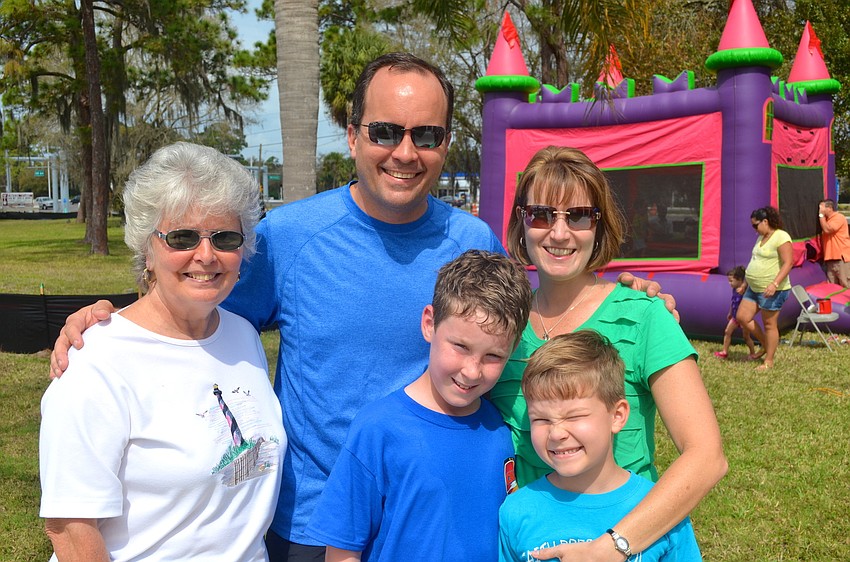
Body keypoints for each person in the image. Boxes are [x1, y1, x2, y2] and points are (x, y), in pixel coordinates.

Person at [48, 55, 670, 561]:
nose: (405, 152)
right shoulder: (289, 237)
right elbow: (189, 296)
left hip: (445, 521)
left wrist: (623, 297)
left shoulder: (474, 240)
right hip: (313, 529)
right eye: (384, 131)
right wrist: (105, 320)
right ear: (352, 135)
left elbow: (522, 329)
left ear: (445, 143)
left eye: (426, 136)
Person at [38, 142, 286, 561]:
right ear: (146, 249)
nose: (205, 255)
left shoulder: (244, 336)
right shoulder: (97, 360)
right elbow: (69, 527)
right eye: (183, 237)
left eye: (225, 237)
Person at [490, 146, 726, 561]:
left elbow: (707, 457)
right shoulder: (499, 325)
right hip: (528, 539)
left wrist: (614, 545)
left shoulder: (646, 315)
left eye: (578, 215)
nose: (559, 233)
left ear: (599, 227)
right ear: (521, 225)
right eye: (541, 215)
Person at [305, 250, 531, 561]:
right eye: (461, 347)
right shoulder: (378, 429)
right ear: (429, 323)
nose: (472, 371)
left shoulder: (498, 426)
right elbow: (343, 549)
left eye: (493, 356)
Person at [498, 330, 701, 562]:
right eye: (541, 420)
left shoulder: (661, 509)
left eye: (574, 417)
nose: (556, 433)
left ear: (617, 416)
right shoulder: (516, 510)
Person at [736, 206, 793, 371]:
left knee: (769, 325)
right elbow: (755, 261)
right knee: (742, 317)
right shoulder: (761, 237)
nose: (754, 229)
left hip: (772, 290)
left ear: (766, 221)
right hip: (753, 288)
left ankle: (769, 360)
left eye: (756, 225)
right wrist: (745, 284)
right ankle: (765, 344)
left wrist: (774, 284)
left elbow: (789, 263)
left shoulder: (781, 236)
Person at [714, 266, 758, 360]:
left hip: (743, 318)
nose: (730, 283)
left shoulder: (744, 291)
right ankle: (725, 351)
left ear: (740, 280)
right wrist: (730, 312)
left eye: (731, 281)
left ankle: (753, 353)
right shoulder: (734, 289)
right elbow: (733, 302)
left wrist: (744, 286)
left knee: (746, 337)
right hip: (735, 317)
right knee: (727, 332)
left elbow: (749, 282)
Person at [818, 198, 850, 288]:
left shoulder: (839, 217)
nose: (820, 210)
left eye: (822, 207)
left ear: (829, 208)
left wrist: (821, 215)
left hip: (841, 259)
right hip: (830, 260)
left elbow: (828, 229)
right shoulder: (826, 221)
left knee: (846, 285)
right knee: (832, 288)